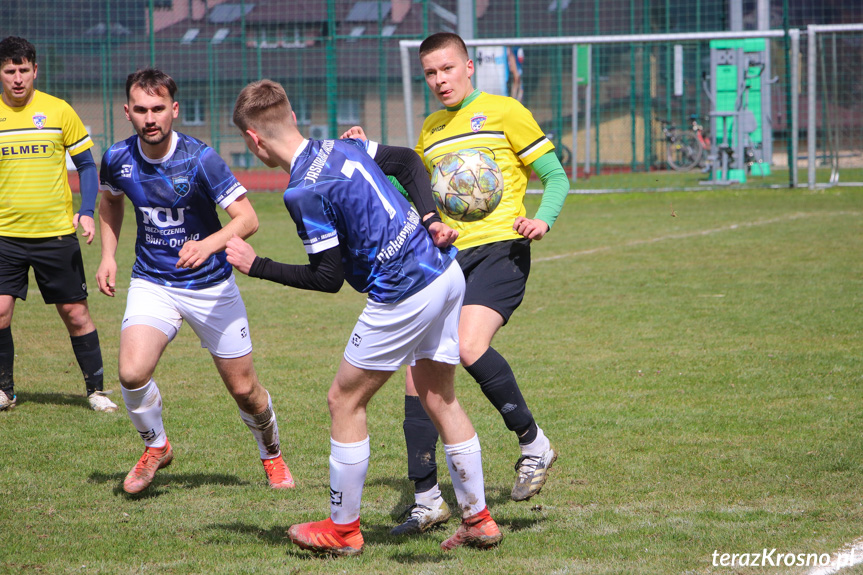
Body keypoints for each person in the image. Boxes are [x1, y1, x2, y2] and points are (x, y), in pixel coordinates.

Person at [228, 78, 502, 555]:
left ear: (254, 140)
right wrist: (430, 218)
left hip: (402, 294)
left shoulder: (302, 192)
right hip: (444, 272)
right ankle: (477, 519)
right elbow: (408, 161)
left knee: (344, 400)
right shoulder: (344, 146)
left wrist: (258, 265)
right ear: (292, 117)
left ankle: (342, 529)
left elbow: (327, 277)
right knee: (439, 396)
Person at [390, 31, 570, 534]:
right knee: (416, 373)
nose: (439, 79)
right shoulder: (430, 130)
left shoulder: (504, 110)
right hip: (448, 260)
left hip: (501, 250)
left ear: (468, 67)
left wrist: (544, 220)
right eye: (430, 72)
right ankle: (426, 497)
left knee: (468, 347)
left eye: (447, 68)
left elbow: (555, 176)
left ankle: (533, 442)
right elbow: (421, 195)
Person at [96, 68, 293, 494]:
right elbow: (109, 201)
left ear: (174, 110)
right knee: (131, 373)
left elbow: (248, 219)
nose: (151, 118)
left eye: (159, 109)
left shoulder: (200, 158)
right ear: (127, 112)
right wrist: (108, 256)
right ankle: (157, 446)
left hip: (211, 286)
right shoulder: (117, 157)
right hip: (154, 281)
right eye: (142, 110)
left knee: (245, 390)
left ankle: (272, 454)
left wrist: (208, 245)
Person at [0, 36, 117, 413]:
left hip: (55, 233)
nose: (17, 78)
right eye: (8, 71)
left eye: (23, 70)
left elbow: (85, 164)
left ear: (35, 70)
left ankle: (96, 390)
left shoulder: (58, 110)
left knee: (75, 313)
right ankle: (5, 391)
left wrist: (85, 210)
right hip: (5, 236)